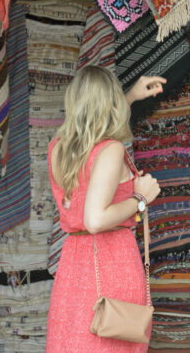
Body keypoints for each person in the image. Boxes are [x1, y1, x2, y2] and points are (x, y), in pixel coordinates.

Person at [46, 66, 166, 352]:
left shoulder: (58, 147)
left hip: (74, 266)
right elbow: (95, 219)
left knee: (75, 342)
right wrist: (140, 199)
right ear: (109, 102)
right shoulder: (110, 149)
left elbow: (93, 130)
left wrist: (131, 96)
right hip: (112, 263)